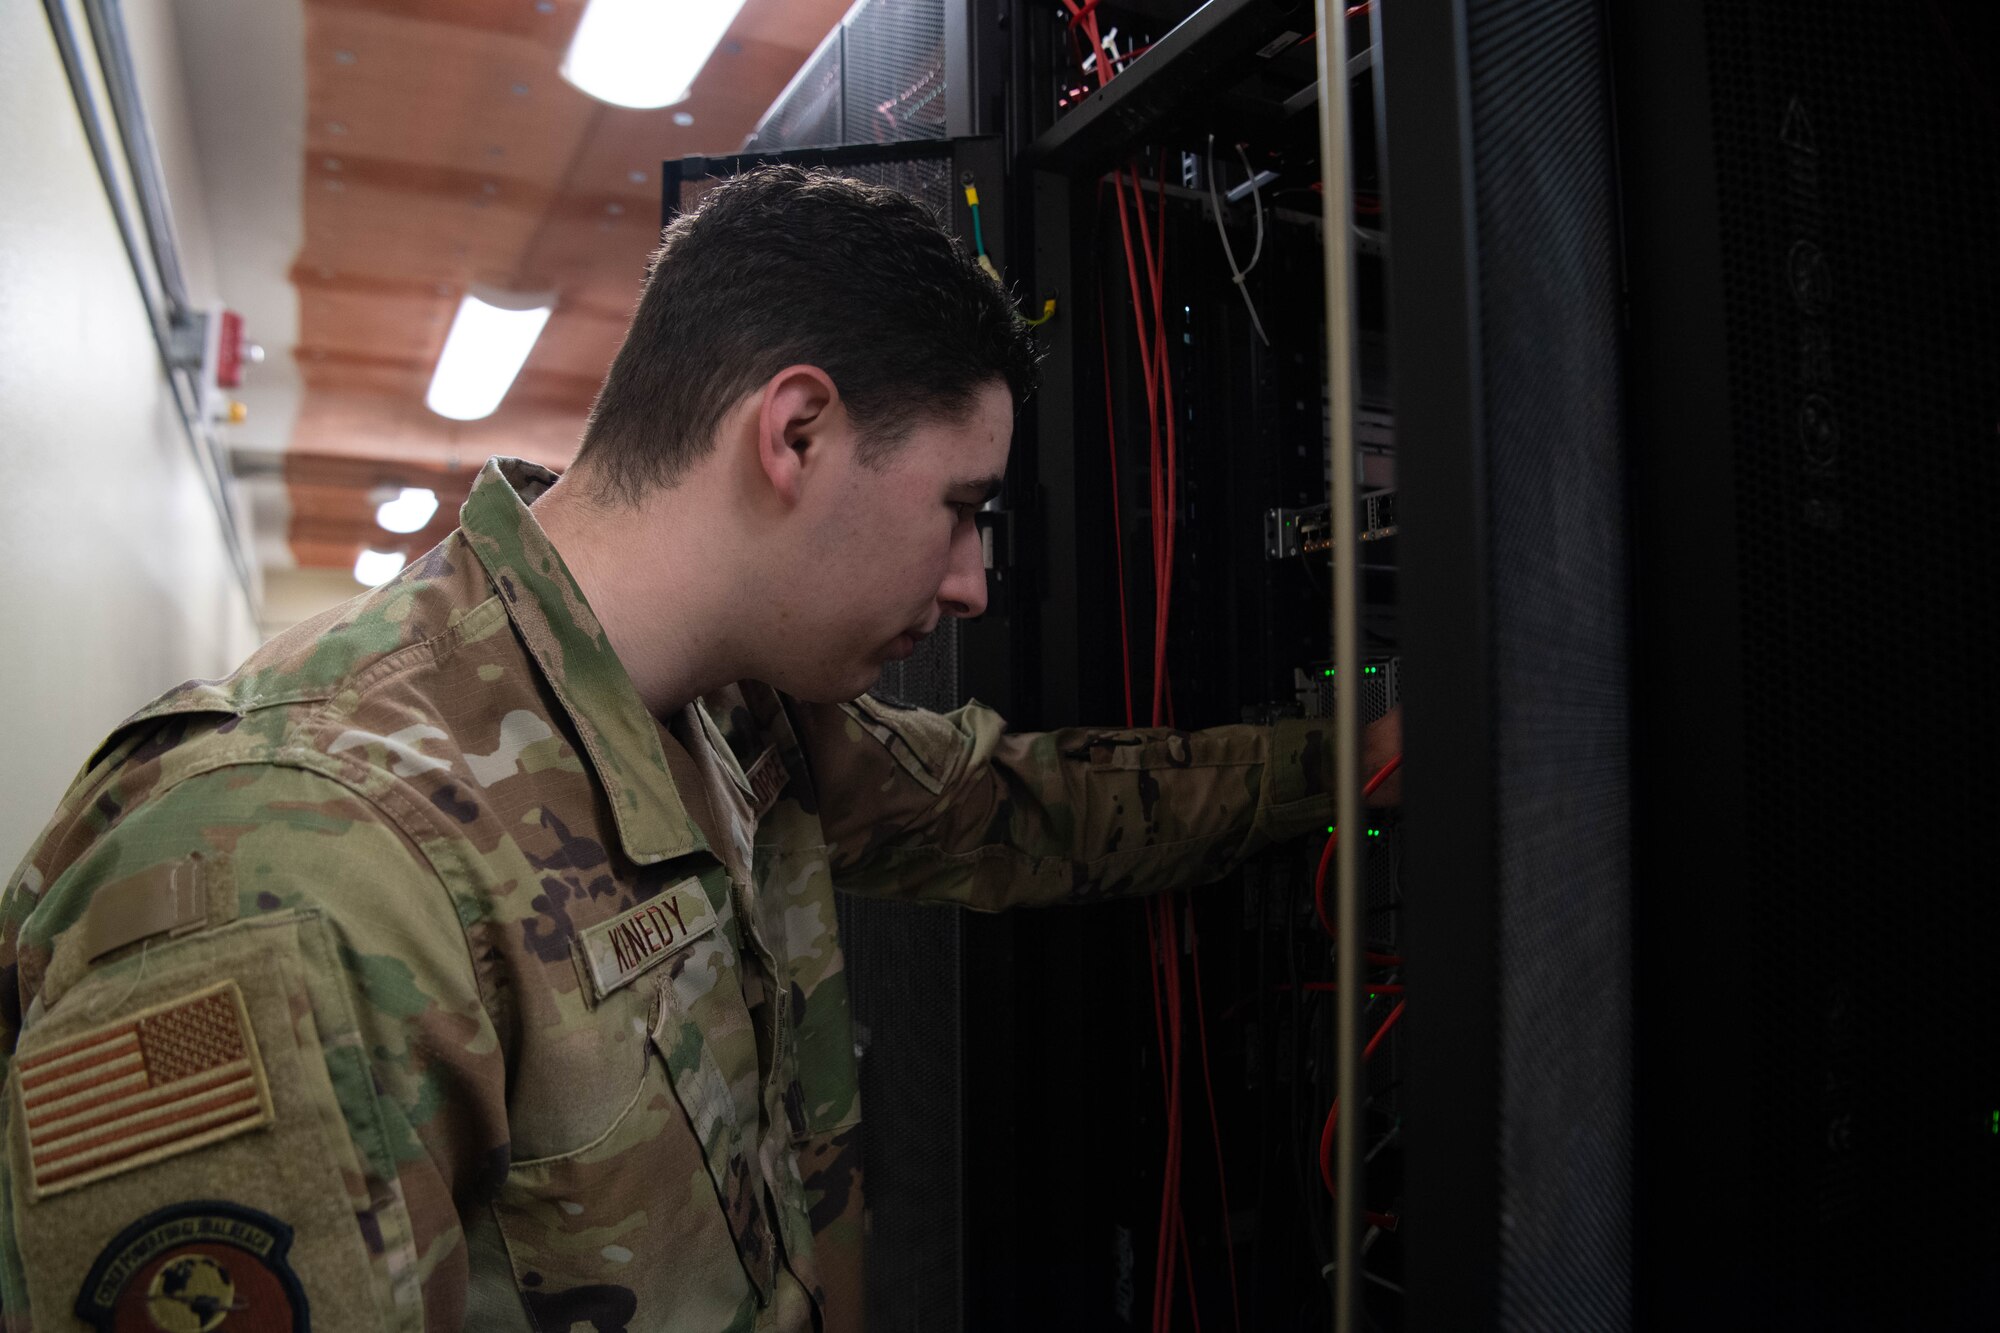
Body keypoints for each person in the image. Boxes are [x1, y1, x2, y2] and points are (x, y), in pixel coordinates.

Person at [0, 167, 1399, 1332]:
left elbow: (1018, 807)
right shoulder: (298, 860)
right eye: (963, 509)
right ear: (794, 432)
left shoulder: (733, 719)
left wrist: (1363, 754)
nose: (974, 579)